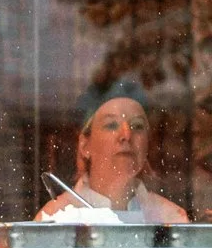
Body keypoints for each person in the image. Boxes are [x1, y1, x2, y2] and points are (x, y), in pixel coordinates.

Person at [34, 78, 187, 222]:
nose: (126, 135)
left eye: (137, 126)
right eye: (112, 125)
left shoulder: (170, 219)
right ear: (85, 145)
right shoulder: (56, 219)